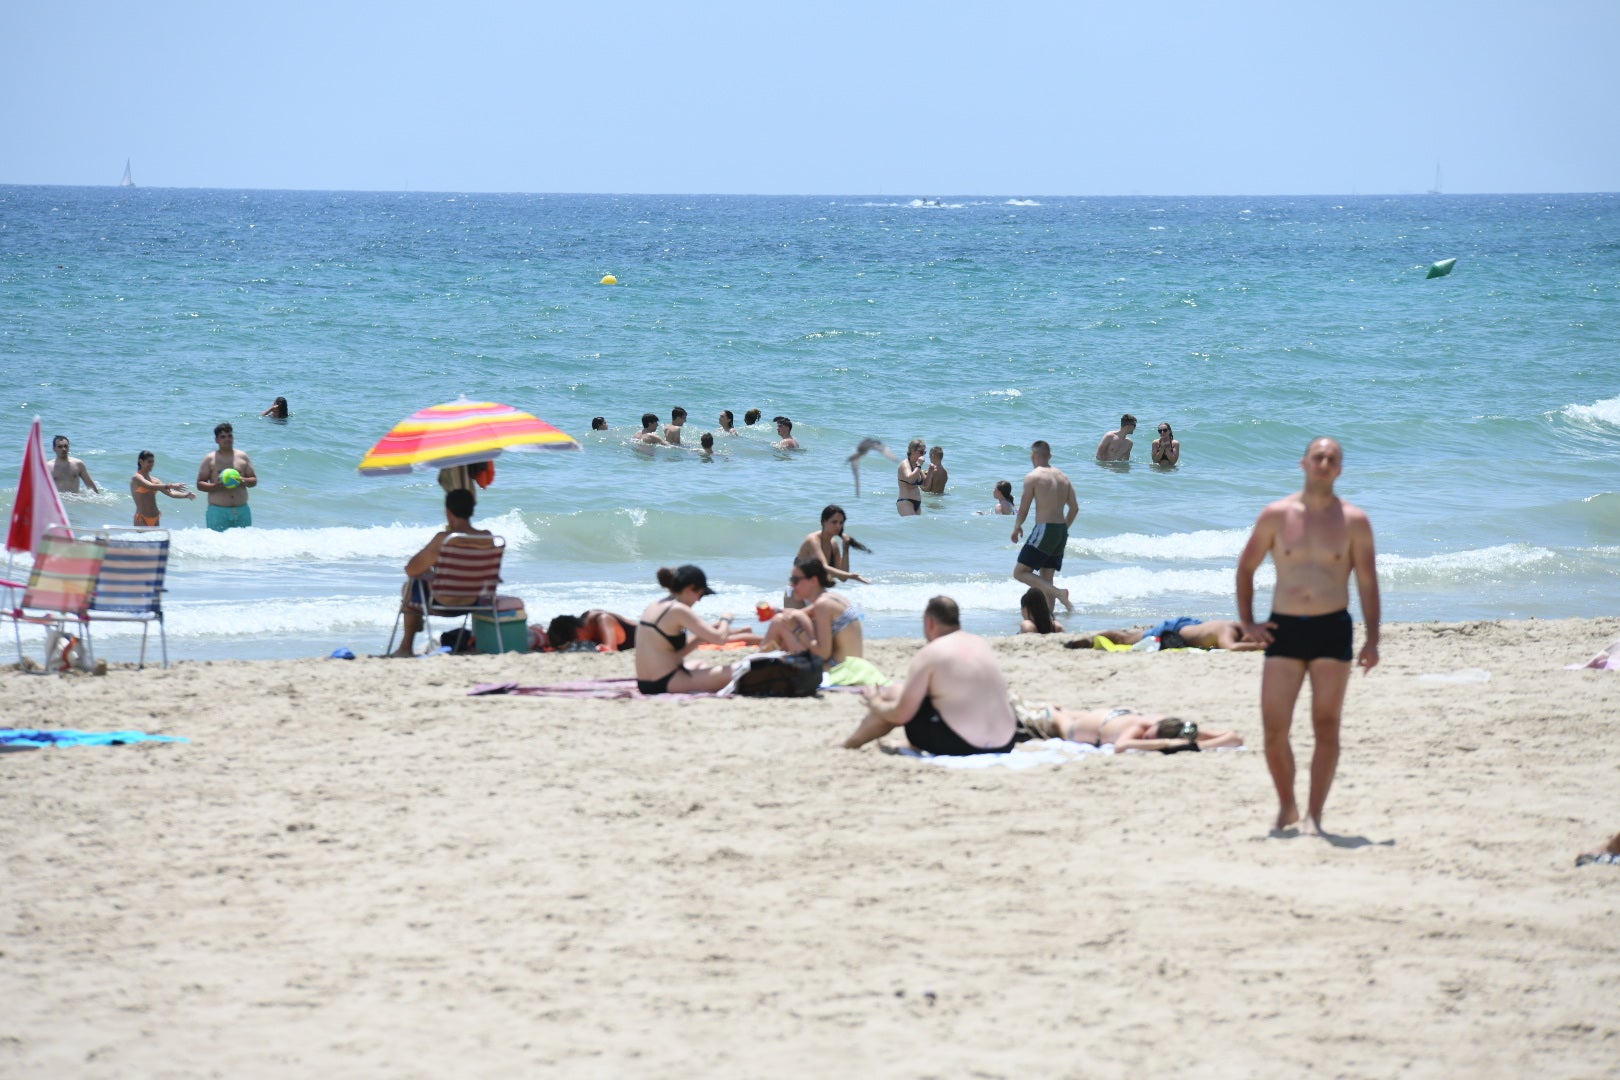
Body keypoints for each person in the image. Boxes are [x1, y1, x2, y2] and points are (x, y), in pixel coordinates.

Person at [1236, 436, 1381, 836]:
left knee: (1326, 724)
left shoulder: (1354, 521)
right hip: (1284, 628)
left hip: (1332, 627)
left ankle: (1316, 814)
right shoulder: (1277, 515)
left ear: (1339, 469)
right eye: (1318, 456)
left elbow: (1368, 582)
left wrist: (1373, 640)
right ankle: (1288, 807)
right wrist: (1248, 623)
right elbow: (1246, 567)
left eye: (1331, 458)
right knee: (1274, 727)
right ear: (1303, 463)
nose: (1323, 462)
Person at [841, 596, 1017, 755]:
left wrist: (875, 703)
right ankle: (856, 742)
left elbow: (900, 715)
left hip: (965, 746)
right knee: (902, 692)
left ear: (930, 623)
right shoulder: (981, 643)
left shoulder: (931, 652)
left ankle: (850, 743)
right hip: (1006, 742)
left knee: (894, 697)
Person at [389, 488, 493, 657]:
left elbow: (411, 569)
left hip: (445, 602)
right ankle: (414, 630)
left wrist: (430, 572)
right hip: (476, 600)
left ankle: (406, 647)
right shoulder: (486, 538)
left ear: (448, 512)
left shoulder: (444, 539)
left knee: (409, 587)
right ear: (472, 510)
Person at [759, 557, 882, 684]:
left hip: (838, 670)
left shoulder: (823, 605)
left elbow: (823, 653)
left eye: (795, 580)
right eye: (791, 580)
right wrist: (775, 612)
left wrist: (797, 631)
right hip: (851, 666)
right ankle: (760, 664)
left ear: (813, 580)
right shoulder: (830, 598)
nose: (791, 585)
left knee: (779, 623)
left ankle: (757, 666)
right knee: (780, 620)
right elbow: (799, 613)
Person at [635, 565, 739, 694]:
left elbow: (675, 657)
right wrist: (726, 620)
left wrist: (701, 637)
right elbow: (720, 639)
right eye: (700, 595)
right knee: (740, 669)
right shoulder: (678, 609)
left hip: (646, 682)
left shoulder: (656, 605)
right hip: (664, 682)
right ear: (690, 589)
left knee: (699, 664)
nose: (699, 601)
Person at [1012, 440, 1078, 614]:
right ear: (1049, 455)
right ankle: (1050, 619)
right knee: (1046, 578)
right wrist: (1063, 529)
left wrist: (1017, 526)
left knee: (1019, 572)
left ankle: (1060, 594)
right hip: (1061, 530)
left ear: (1033, 455)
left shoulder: (1033, 476)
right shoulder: (1063, 477)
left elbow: (1024, 508)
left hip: (1045, 529)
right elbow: (1074, 508)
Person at [1012, 701, 1243, 751]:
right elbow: (1121, 746)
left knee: (1059, 714)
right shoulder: (1143, 726)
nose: (1146, 738)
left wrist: (1189, 743)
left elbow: (1233, 737)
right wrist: (1169, 744)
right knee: (1051, 715)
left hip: (1102, 720)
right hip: (1085, 725)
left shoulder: (1180, 728)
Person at [1062, 618, 1265, 652]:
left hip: (1191, 625)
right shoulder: (1228, 631)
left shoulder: (1241, 626)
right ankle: (1090, 640)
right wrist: (1261, 647)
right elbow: (1231, 647)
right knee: (1126, 639)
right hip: (1175, 629)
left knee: (1136, 634)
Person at [794, 505, 871, 590]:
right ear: (824, 522)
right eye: (834, 522)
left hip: (816, 592)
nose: (838, 526)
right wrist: (852, 576)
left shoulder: (833, 544)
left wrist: (846, 549)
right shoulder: (812, 539)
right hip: (798, 591)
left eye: (841, 523)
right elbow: (824, 567)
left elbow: (843, 578)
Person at [197, 422, 256, 531]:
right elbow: (200, 484)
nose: (227, 439)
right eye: (223, 437)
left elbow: (253, 480)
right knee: (217, 546)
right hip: (218, 512)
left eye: (230, 436)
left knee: (244, 545)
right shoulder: (210, 459)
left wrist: (243, 480)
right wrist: (216, 486)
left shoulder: (242, 457)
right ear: (216, 440)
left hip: (242, 510)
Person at [129, 451, 195, 526]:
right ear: (141, 462)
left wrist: (186, 495)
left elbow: (171, 493)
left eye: (153, 462)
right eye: (149, 462)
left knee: (157, 538)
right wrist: (171, 485)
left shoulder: (156, 480)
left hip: (156, 518)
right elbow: (151, 486)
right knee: (145, 538)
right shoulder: (136, 478)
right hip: (142, 519)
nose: (151, 464)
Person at [547, 610, 638, 652]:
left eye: (574, 643)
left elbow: (610, 649)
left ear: (578, 632)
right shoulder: (583, 627)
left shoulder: (603, 619)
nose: (578, 644)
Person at [896, 438, 927, 516]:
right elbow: (910, 479)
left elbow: (925, 485)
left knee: (917, 528)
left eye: (924, 452)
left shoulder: (916, 465)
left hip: (917, 504)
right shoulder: (905, 464)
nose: (922, 455)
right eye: (921, 452)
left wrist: (931, 472)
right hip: (905, 502)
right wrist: (919, 465)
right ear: (913, 450)